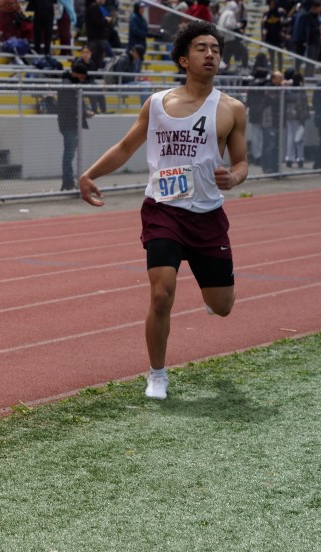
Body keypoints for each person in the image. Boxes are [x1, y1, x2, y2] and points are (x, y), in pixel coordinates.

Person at [79, 20, 248, 400]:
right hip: (163, 210)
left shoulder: (232, 109)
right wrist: (90, 175)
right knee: (161, 295)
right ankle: (157, 374)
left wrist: (234, 178)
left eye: (216, 49)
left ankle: (212, 298)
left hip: (207, 215)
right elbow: (125, 147)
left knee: (222, 307)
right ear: (183, 59)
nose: (210, 54)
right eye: (201, 48)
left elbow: (241, 163)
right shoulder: (157, 104)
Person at [58, 59, 94, 191]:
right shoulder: (67, 85)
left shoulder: (71, 84)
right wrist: (84, 112)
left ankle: (69, 181)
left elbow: (77, 103)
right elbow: (69, 106)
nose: (83, 80)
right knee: (69, 154)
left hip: (71, 124)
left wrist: (84, 111)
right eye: (82, 77)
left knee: (71, 154)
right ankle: (67, 182)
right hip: (69, 124)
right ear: (76, 74)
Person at [284, 69, 309, 167]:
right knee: (299, 137)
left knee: (291, 136)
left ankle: (290, 157)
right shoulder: (298, 90)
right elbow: (304, 104)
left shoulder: (288, 89)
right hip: (298, 116)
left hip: (290, 115)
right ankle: (299, 157)